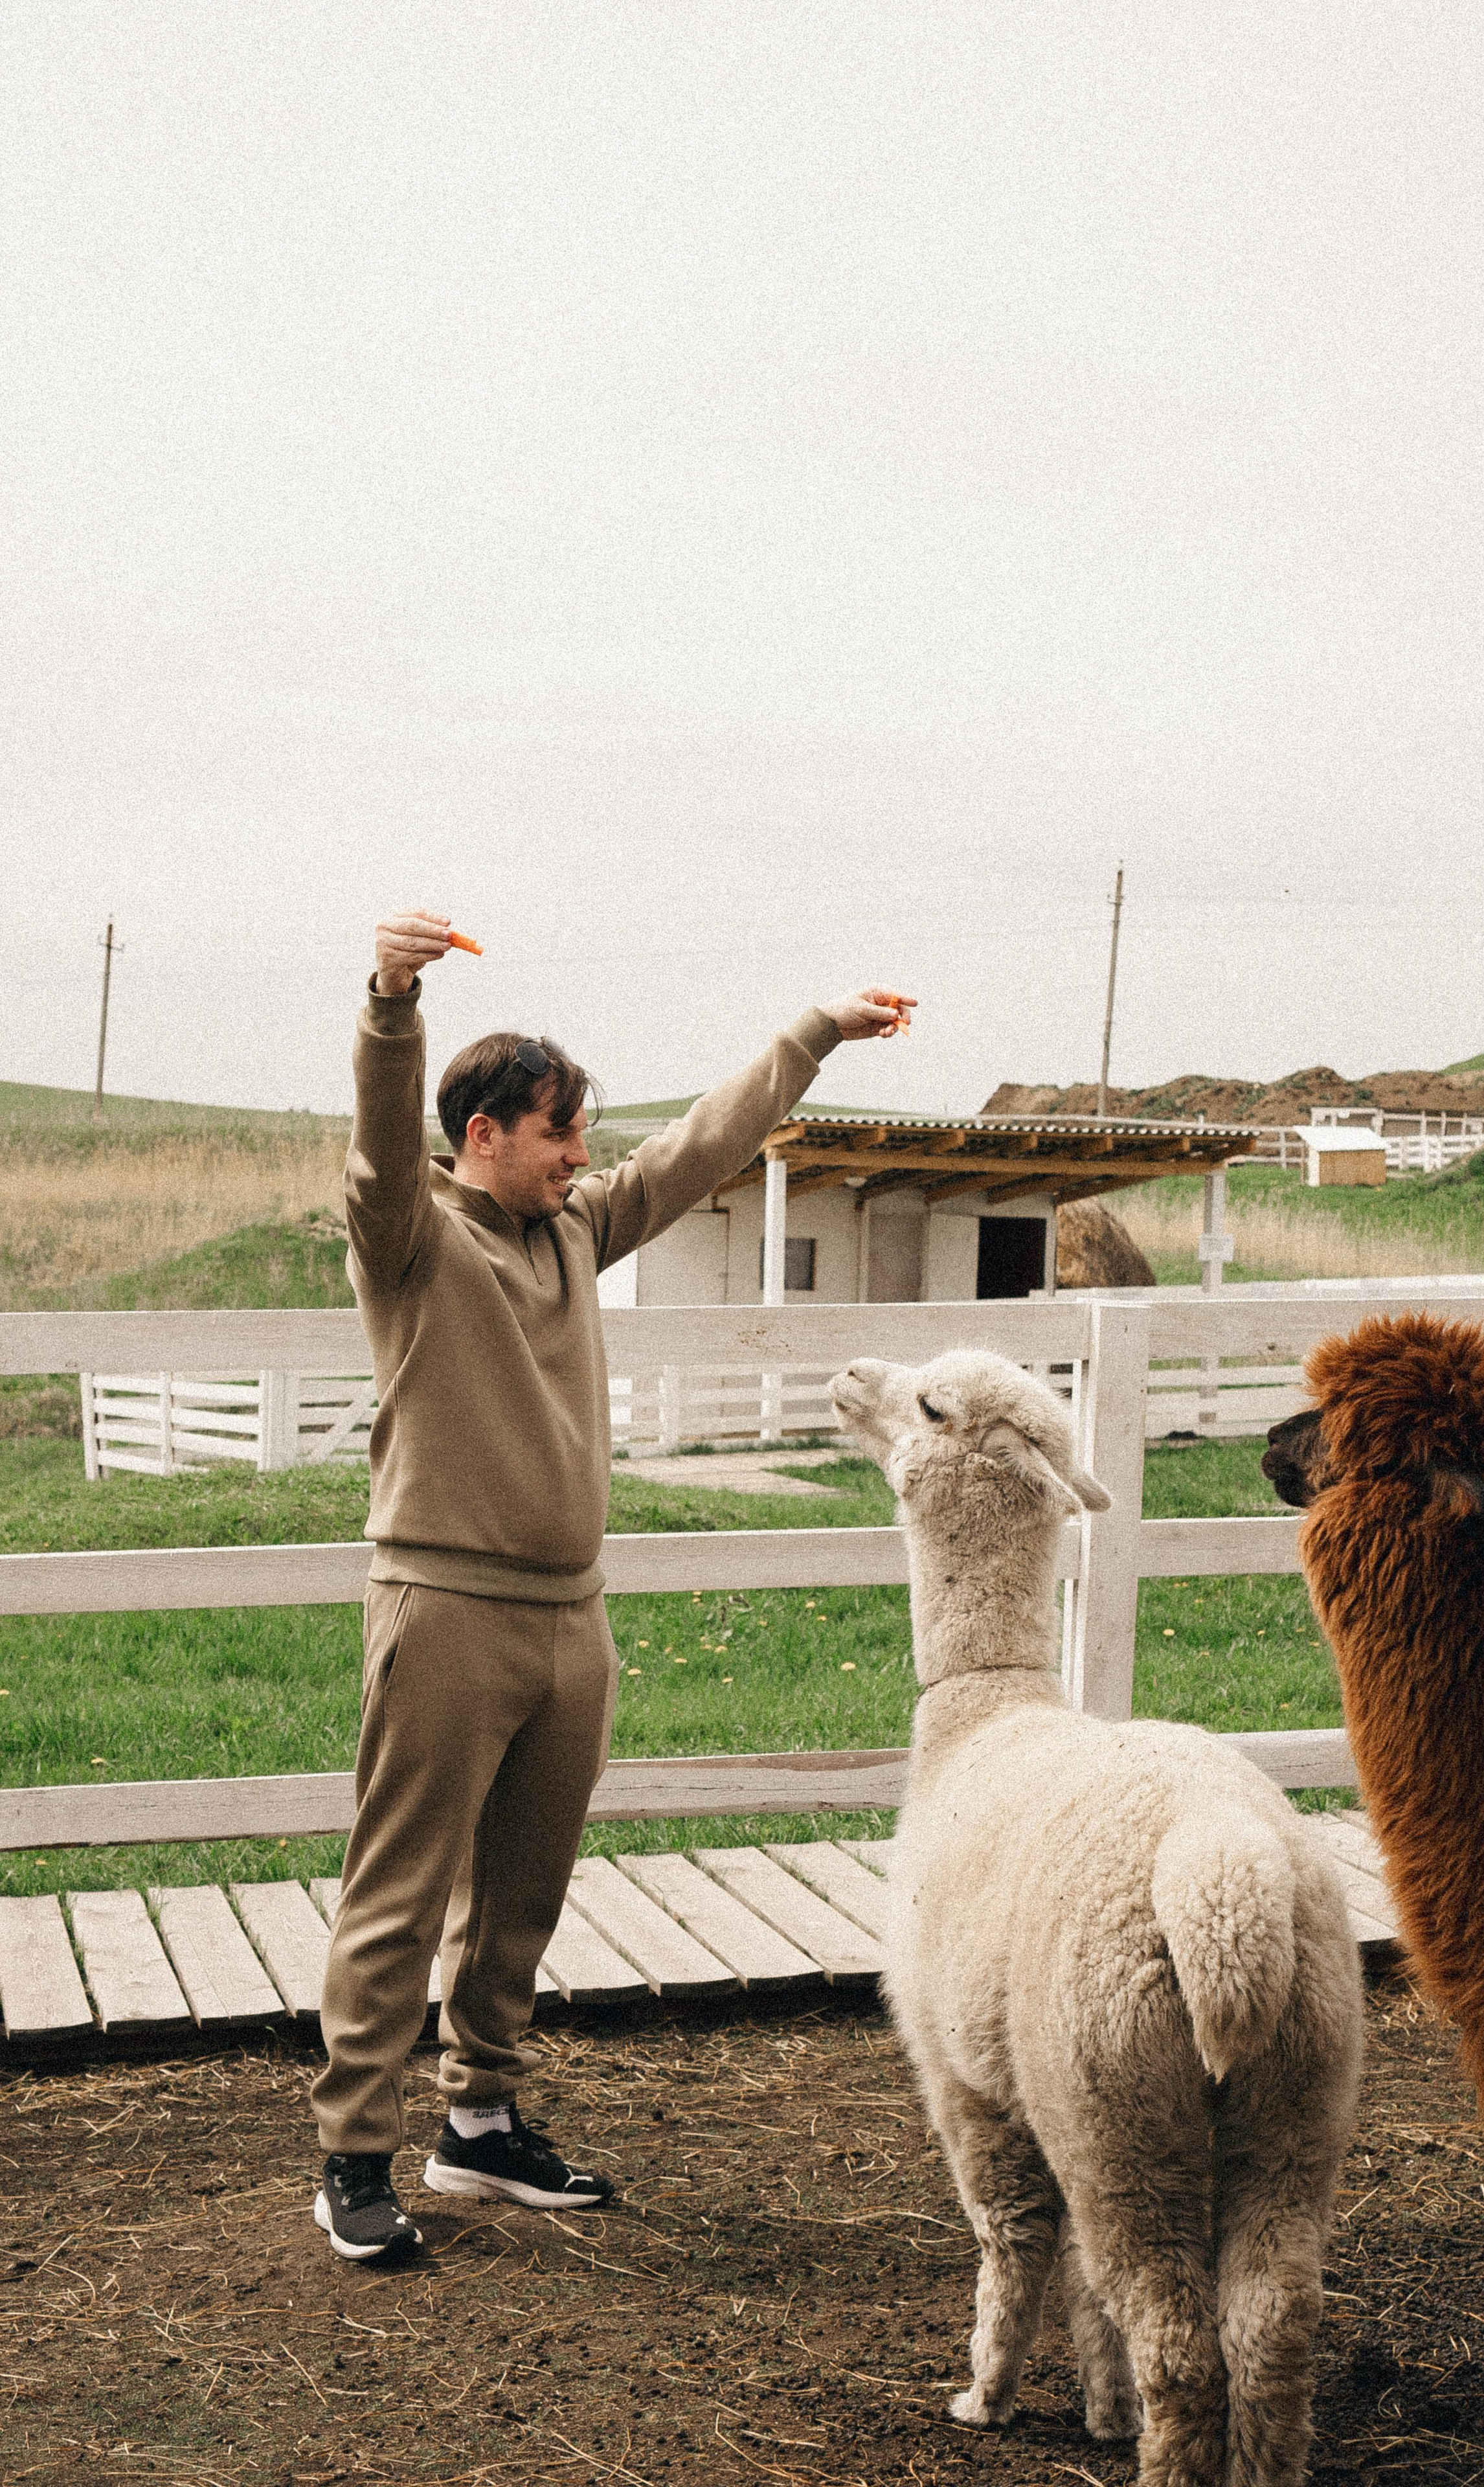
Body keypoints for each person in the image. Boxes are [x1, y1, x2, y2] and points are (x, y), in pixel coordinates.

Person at [311, 906, 916, 2259]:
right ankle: (353, 2153)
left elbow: (699, 1147)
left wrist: (810, 1034)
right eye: (557, 1132)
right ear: (482, 1137)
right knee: (399, 1894)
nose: (582, 1154)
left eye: (581, 1133)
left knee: (520, 1897)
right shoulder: (410, 1239)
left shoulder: (576, 1231)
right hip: (444, 1613)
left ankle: (478, 2127)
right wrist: (391, 1006)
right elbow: (373, 1148)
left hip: (567, 1621)